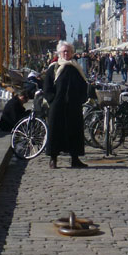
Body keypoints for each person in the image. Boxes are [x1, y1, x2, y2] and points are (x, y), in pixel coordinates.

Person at [43, 40, 89, 169]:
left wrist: (81, 99)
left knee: (75, 132)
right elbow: (47, 87)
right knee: (55, 132)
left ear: (72, 53)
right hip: (57, 106)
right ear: (59, 53)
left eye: (68, 51)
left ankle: (75, 158)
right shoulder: (54, 67)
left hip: (73, 106)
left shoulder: (76, 68)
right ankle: (53, 158)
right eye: (64, 51)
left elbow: (83, 85)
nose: (66, 53)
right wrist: (53, 100)